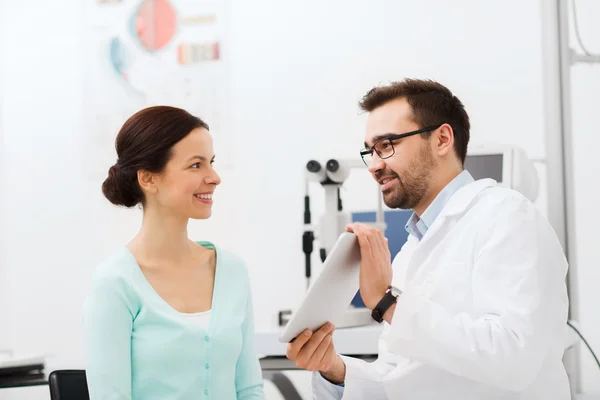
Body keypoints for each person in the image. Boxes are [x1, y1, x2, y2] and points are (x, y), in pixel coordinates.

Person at [285, 79, 571, 399]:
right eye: (371, 151)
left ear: (442, 139)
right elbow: (399, 378)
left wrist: (387, 302)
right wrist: (335, 371)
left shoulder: (507, 216)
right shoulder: (413, 248)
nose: (375, 165)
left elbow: (514, 358)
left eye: (387, 145)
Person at [82, 106, 264, 399]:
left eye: (212, 162)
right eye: (196, 165)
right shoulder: (115, 283)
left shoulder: (232, 271)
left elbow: (249, 388)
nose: (214, 177)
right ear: (149, 179)